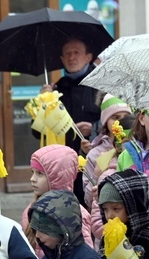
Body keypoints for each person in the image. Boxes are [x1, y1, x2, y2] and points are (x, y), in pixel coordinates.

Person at [36, 38, 100, 204]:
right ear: (62, 59)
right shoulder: (56, 90)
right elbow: (37, 132)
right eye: (67, 54)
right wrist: (44, 101)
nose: (72, 57)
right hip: (64, 165)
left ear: (88, 57)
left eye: (76, 52)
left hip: (95, 160)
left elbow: (115, 122)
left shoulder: (100, 84)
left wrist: (93, 129)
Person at [90, 114, 136, 241]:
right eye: (129, 144)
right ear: (117, 146)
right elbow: (97, 221)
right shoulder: (107, 177)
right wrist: (116, 234)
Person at [83, 94, 131, 209]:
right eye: (115, 117)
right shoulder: (94, 154)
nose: (121, 121)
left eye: (126, 116)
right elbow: (88, 200)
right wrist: (97, 174)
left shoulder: (140, 147)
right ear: (105, 121)